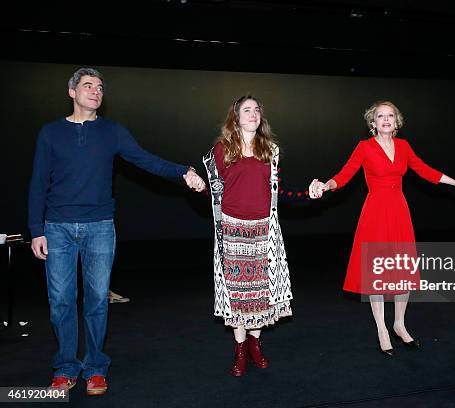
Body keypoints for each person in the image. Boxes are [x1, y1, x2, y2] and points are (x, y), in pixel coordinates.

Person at [28, 67, 205, 395]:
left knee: (97, 299)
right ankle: (66, 367)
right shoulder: (50, 132)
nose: (95, 91)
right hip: (57, 228)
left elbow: (146, 160)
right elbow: (38, 182)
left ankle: (95, 367)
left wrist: (184, 172)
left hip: (99, 227)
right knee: (61, 302)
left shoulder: (113, 132)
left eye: (99, 87)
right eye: (87, 85)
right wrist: (36, 229)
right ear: (72, 92)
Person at [309, 101, 455, 355]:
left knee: (402, 270)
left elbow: (425, 170)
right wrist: (326, 186)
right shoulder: (364, 147)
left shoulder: (404, 147)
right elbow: (345, 174)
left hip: (399, 212)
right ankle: (382, 329)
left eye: (390, 116)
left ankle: (400, 325)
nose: (385, 119)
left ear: (396, 121)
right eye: (380, 116)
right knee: (377, 273)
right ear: (373, 123)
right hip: (375, 213)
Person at [202, 95, 292, 377]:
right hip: (232, 228)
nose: (253, 114)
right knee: (237, 293)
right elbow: (212, 191)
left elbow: (279, 191)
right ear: (236, 117)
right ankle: (240, 350)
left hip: (264, 229)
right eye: (246, 110)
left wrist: (310, 191)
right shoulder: (221, 149)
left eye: (256, 110)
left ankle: (255, 344)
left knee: (260, 293)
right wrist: (196, 184)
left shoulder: (271, 150)